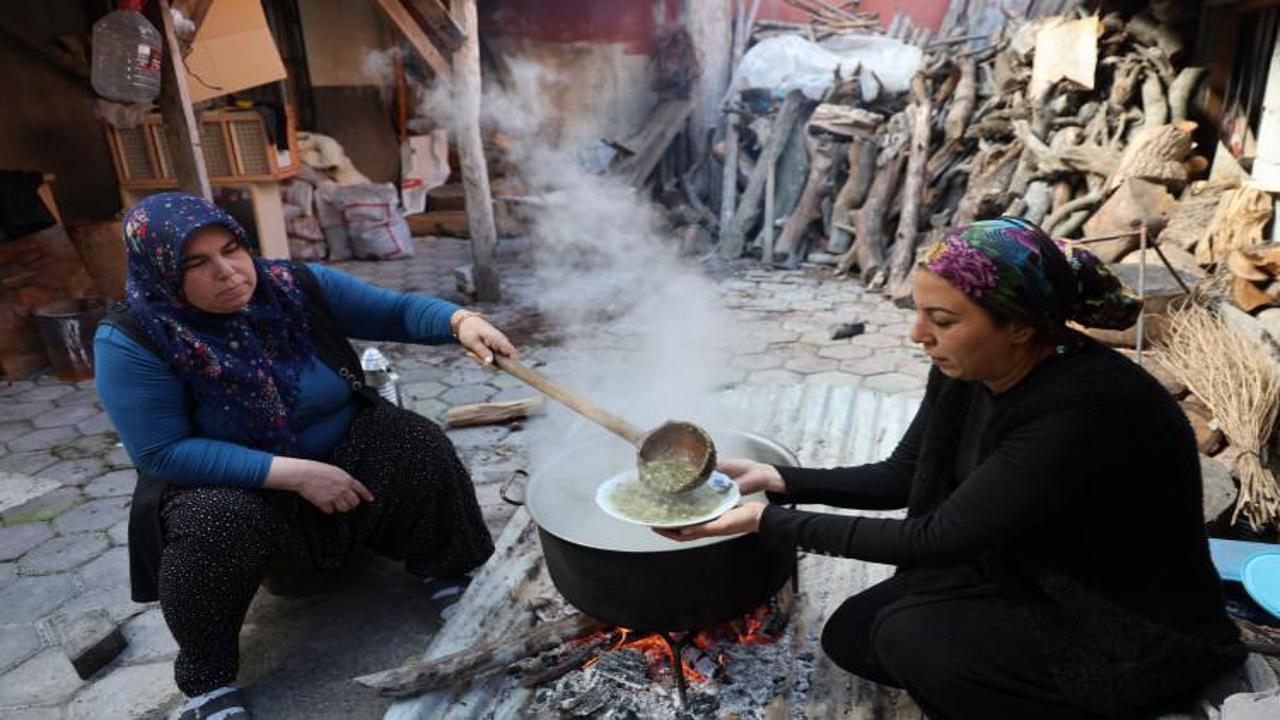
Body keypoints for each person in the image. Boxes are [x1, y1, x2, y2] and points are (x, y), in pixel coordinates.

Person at [660, 218, 1246, 719]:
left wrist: (767, 523)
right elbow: (902, 473)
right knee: (853, 635)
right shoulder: (971, 368)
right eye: (921, 315)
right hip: (1026, 565)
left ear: (1019, 325)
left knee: (912, 640)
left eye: (942, 320)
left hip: (1117, 614)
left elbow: (934, 539)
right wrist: (779, 479)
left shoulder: (1084, 410)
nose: (920, 336)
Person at [94, 192, 516, 720]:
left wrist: (459, 322)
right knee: (213, 520)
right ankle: (208, 683)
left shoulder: (295, 286)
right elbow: (161, 451)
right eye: (196, 264)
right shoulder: (135, 337)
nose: (228, 273)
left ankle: (447, 572)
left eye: (232, 249)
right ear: (161, 273)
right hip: (239, 492)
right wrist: (294, 474)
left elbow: (398, 312)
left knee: (412, 440)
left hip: (341, 459)